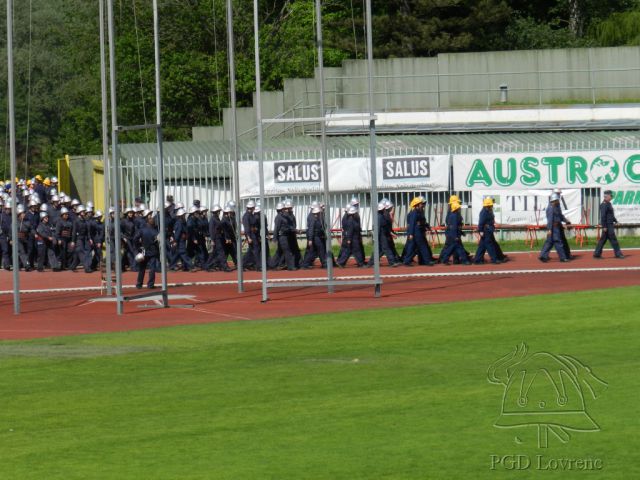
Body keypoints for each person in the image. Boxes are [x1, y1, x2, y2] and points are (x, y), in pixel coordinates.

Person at [402, 196, 435, 266]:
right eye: (420, 204)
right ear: (417, 205)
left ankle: (407, 261)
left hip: (418, 232)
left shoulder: (419, 212)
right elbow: (412, 224)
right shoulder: (414, 213)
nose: (422, 205)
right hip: (416, 232)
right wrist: (411, 234)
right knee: (422, 246)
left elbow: (423, 221)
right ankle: (427, 261)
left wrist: (427, 227)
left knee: (412, 248)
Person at [539, 193, 570, 263]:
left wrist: (566, 221)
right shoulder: (550, 208)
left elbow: (560, 216)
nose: (558, 201)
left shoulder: (556, 206)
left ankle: (543, 256)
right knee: (558, 242)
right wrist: (549, 229)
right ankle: (563, 257)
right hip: (553, 228)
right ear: (554, 200)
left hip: (557, 227)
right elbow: (550, 219)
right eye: (557, 200)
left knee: (549, 242)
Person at [593, 190, 625, 259]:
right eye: (611, 196)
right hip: (607, 225)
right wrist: (604, 226)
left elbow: (610, 215)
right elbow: (603, 216)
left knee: (603, 240)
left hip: (609, 224)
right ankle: (618, 254)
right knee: (613, 240)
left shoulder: (608, 203)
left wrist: (615, 221)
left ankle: (597, 254)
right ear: (607, 196)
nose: (612, 197)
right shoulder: (604, 204)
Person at [439, 197, 471, 265]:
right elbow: (454, 226)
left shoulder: (453, 214)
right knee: (457, 248)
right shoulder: (454, 215)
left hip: (453, 233)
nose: (459, 206)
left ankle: (446, 259)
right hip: (453, 234)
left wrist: (460, 232)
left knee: (451, 248)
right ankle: (464, 260)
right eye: (458, 205)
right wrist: (455, 236)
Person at [368, 201, 400, 267]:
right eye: (384, 209)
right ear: (382, 209)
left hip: (383, 234)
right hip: (381, 235)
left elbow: (386, 227)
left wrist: (391, 233)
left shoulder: (382, 216)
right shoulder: (379, 217)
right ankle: (392, 262)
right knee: (386, 248)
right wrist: (375, 238)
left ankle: (371, 262)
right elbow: (378, 228)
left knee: (379, 250)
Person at [133, 216, 160, 289]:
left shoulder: (142, 230)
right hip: (153, 251)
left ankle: (139, 284)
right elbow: (158, 242)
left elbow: (135, 238)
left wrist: (138, 247)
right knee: (152, 269)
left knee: (142, 268)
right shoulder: (155, 231)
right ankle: (150, 285)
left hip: (143, 251)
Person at [474, 197, 501, 264]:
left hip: (488, 230)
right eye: (491, 204)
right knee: (489, 245)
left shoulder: (488, 211)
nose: (492, 205)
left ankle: (477, 260)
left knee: (482, 246)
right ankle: (494, 259)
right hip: (486, 231)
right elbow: (481, 223)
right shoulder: (484, 212)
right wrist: (481, 231)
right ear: (488, 205)